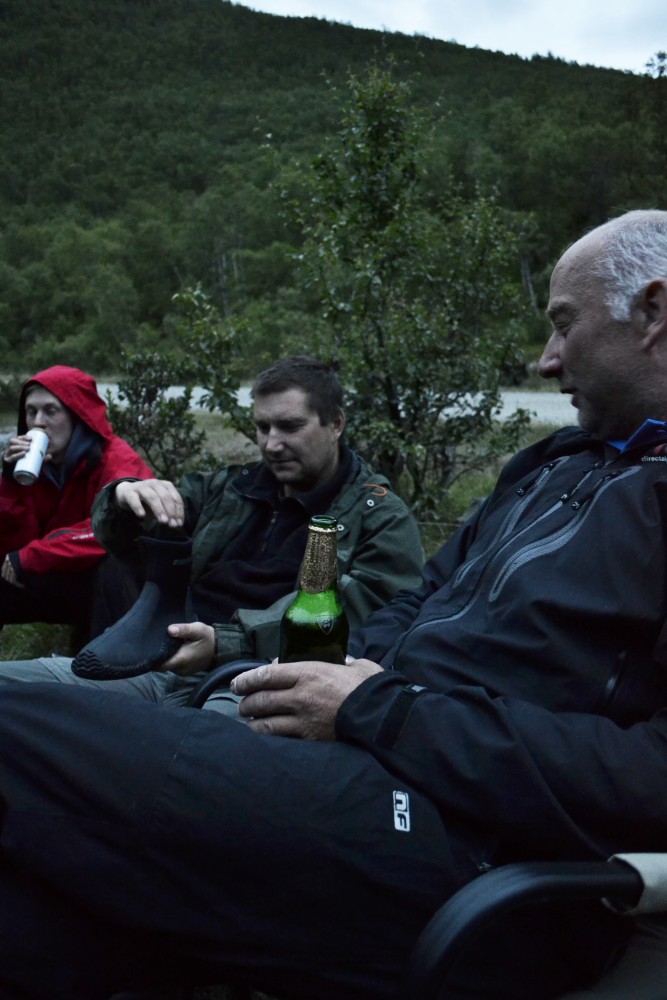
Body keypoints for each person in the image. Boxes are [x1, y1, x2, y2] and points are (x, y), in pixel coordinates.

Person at [3, 209, 667, 1000]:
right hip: (344, 755)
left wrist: (375, 707)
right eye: (260, 429)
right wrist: (128, 504)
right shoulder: (555, 463)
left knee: (16, 729)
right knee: (34, 911)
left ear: (652, 313)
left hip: (477, 846)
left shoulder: (371, 510)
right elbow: (421, 598)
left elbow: (649, 774)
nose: (546, 359)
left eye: (562, 324)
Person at [0, 355, 424, 701]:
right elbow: (126, 541)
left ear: (336, 424)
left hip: (258, 681)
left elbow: (366, 611)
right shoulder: (230, 487)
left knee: (131, 745)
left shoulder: (379, 516)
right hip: (163, 656)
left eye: (290, 427)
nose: (272, 444)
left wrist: (225, 643)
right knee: (15, 688)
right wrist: (122, 498)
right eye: (262, 427)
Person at [0, 365, 152, 637]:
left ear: (76, 416)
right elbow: (16, 549)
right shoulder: (35, 464)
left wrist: (34, 555)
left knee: (114, 565)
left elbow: (116, 529)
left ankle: (118, 659)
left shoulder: (117, 459)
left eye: (51, 411)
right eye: (31, 411)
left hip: (116, 588)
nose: (38, 422)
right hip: (63, 577)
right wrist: (11, 485)